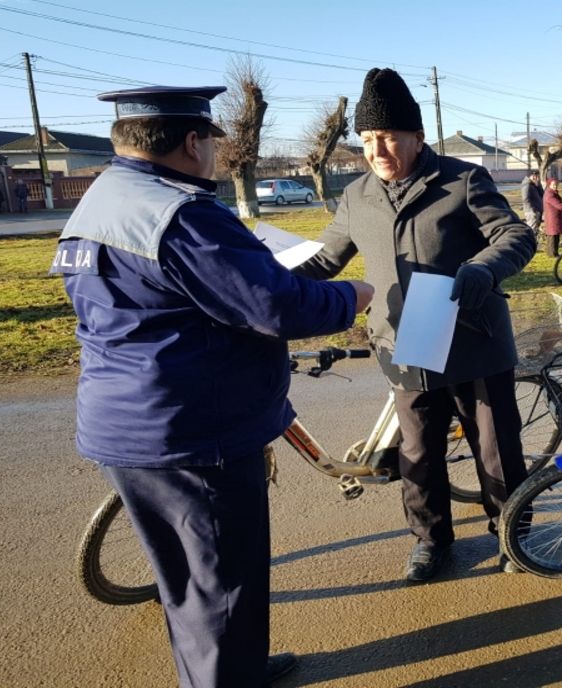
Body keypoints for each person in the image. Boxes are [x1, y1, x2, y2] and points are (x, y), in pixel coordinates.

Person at [50, 85, 373, 688]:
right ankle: (228, 676)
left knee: (186, 577)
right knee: (224, 581)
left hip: (122, 420)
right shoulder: (182, 214)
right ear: (191, 141)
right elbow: (275, 308)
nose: (216, 157)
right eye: (212, 143)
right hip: (198, 429)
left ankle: (227, 668)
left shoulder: (102, 199)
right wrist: (348, 297)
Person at [295, 68, 536, 583]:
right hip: (403, 339)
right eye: (366, 140)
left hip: (472, 337)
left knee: (494, 446)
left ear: (417, 136)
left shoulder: (462, 179)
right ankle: (430, 541)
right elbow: (324, 261)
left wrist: (483, 267)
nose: (378, 150)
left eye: (388, 137)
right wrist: (270, 278)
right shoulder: (356, 196)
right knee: (418, 450)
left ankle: (511, 531)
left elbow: (515, 235)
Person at [541, 176, 562, 258]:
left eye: (556, 184)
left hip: (553, 217)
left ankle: (551, 253)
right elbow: (559, 205)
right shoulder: (550, 194)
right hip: (553, 218)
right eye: (553, 184)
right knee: (553, 236)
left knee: (553, 235)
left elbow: (560, 204)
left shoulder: (551, 192)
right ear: (549, 184)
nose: (555, 186)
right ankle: (553, 254)